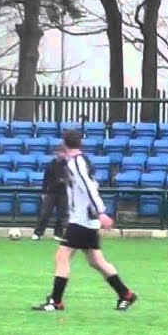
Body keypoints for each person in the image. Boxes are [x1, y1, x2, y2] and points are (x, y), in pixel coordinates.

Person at [31, 130, 138, 312]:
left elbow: (89, 188)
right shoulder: (79, 161)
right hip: (85, 219)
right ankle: (125, 294)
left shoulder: (77, 162)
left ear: (65, 143)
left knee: (62, 256)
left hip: (82, 220)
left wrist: (101, 212)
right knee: (96, 261)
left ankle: (56, 301)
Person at [32, 145, 69, 241]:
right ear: (56, 153)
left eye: (64, 152)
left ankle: (58, 234)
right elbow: (45, 179)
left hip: (63, 193)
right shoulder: (50, 165)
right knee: (45, 213)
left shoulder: (67, 165)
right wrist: (44, 192)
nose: (63, 154)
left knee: (61, 214)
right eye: (61, 152)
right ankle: (38, 233)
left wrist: (64, 181)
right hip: (51, 192)